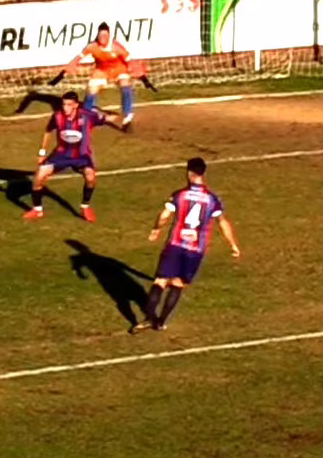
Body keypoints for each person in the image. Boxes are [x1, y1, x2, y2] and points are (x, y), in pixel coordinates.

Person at [132, 157, 240, 333]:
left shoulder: (179, 195)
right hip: (196, 249)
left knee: (160, 281)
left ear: (190, 173)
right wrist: (233, 244)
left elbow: (164, 216)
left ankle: (149, 318)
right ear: (203, 173)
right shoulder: (212, 199)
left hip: (175, 244)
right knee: (178, 283)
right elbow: (222, 222)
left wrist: (156, 229)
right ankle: (161, 322)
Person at [25, 91, 117, 222]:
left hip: (82, 156)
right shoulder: (57, 116)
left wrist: (119, 116)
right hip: (61, 155)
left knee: (90, 178)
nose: (65, 108)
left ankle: (85, 207)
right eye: (64, 104)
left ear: (76, 105)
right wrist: (42, 152)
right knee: (38, 177)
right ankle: (37, 210)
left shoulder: (88, 116)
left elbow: (106, 119)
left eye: (69, 105)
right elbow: (48, 131)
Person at [52, 22, 155, 130]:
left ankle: (127, 117)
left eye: (105, 35)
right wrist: (60, 76)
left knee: (125, 85)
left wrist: (145, 80)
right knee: (91, 90)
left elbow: (132, 63)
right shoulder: (92, 47)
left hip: (119, 69)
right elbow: (76, 61)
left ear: (109, 35)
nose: (102, 37)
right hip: (101, 70)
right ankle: (86, 117)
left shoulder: (117, 47)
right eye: (100, 35)